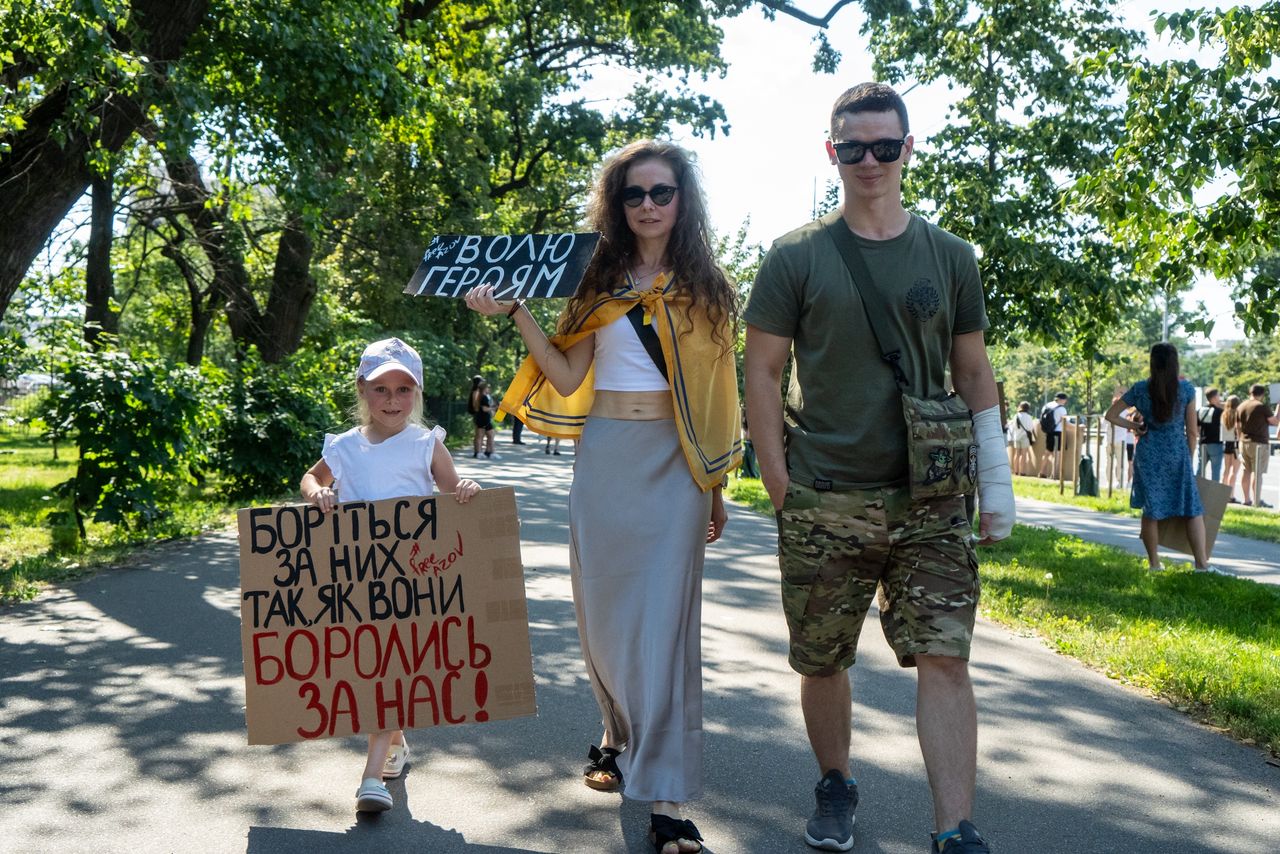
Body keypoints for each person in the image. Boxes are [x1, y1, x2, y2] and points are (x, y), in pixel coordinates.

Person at [744, 83, 1012, 854]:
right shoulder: (795, 255)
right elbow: (761, 371)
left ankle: (954, 828)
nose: (870, 160)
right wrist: (777, 479)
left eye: (884, 146)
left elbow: (973, 371)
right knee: (822, 658)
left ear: (907, 150)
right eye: (853, 146)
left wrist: (994, 483)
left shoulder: (951, 256)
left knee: (945, 656)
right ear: (832, 153)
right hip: (826, 495)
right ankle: (836, 782)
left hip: (932, 499)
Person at [463, 140, 741, 854]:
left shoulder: (709, 289)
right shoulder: (597, 282)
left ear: (683, 202)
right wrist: (519, 313)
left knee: (665, 629)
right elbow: (560, 375)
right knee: (605, 618)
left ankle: (668, 800)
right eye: (635, 194)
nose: (649, 205)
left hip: (678, 469)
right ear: (617, 205)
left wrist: (715, 483)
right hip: (607, 460)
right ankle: (618, 733)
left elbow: (718, 397)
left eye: (662, 192)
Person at [299, 337, 481, 813]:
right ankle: (395, 741)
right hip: (356, 578)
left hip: (411, 578)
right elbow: (310, 478)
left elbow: (451, 489)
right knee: (370, 665)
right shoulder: (343, 447)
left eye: (404, 390)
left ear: (416, 394)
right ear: (363, 390)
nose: (393, 401)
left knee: (390, 667)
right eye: (382, 389)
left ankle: (370, 776)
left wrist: (464, 488)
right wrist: (317, 493)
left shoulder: (426, 443)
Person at [1104, 343, 1223, 574]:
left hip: (1148, 453)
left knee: (1152, 510)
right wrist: (1188, 458)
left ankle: (1154, 564)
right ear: (1174, 363)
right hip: (1177, 453)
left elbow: (1111, 415)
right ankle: (1201, 564)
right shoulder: (1186, 390)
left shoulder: (1140, 389)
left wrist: (1135, 426)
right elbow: (1192, 431)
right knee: (1192, 508)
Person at [1238, 384, 1280, 507]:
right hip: (1258, 443)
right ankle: (1257, 500)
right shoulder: (1261, 407)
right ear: (1261, 394)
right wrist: (1278, 408)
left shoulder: (1242, 406)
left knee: (1246, 471)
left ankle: (1246, 500)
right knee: (1257, 472)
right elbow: (1275, 422)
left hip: (1243, 442)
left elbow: (1237, 426)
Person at [1037, 393, 1069, 479]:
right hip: (1058, 432)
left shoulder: (1047, 406)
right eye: (1065, 400)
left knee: (1047, 453)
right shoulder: (1062, 409)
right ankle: (1053, 474)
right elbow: (1066, 423)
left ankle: (1041, 472)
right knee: (1057, 454)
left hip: (1049, 432)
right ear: (1062, 399)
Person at [1195, 388, 1225, 482]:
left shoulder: (1200, 410)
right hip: (1215, 443)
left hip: (1203, 442)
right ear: (1215, 397)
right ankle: (1213, 494)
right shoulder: (1220, 412)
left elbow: (1197, 427)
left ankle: (1197, 490)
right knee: (1215, 470)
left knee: (1200, 468)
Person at [469, 377, 497, 459]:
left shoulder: (481, 394)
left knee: (482, 435)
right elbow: (477, 407)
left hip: (483, 417)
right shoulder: (477, 393)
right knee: (481, 435)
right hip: (482, 417)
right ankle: (480, 452)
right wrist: (492, 409)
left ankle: (485, 451)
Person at [1221, 394, 1242, 501]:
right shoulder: (1237, 414)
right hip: (1236, 444)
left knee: (1226, 470)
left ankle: (1222, 493)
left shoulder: (1224, 414)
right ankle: (1231, 495)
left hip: (1227, 443)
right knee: (1234, 471)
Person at [1008, 401, 1036, 477]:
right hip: (1025, 437)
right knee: (1023, 455)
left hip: (1016, 436)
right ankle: (1022, 472)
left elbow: (1013, 427)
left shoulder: (1016, 416)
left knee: (1017, 454)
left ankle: (1015, 471)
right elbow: (1030, 428)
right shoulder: (1028, 417)